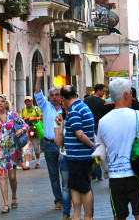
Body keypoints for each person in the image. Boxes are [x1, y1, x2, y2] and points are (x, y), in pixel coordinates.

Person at [98, 77, 139, 220]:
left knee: (119, 216)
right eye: (129, 92)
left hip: (115, 176)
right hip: (137, 175)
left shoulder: (103, 122)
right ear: (126, 95)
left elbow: (101, 148)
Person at [58, 85, 95, 220]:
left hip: (79, 156)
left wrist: (92, 146)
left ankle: (87, 217)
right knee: (74, 186)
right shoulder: (83, 107)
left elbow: (79, 133)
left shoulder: (74, 110)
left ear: (63, 98)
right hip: (75, 156)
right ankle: (76, 215)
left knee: (84, 187)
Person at [0, 93, 28, 214]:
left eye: (2, 101)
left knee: (12, 177)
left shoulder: (13, 115)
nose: (0, 103)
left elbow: (25, 124)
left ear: (6, 103)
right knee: (2, 176)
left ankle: (14, 195)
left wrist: (21, 130)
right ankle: (5, 203)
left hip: (12, 150)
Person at [34, 80, 66, 212]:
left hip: (64, 145)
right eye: (52, 95)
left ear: (61, 96)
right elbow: (37, 94)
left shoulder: (66, 108)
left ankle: (67, 199)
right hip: (49, 144)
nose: (54, 97)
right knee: (53, 174)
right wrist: (39, 77)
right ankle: (58, 200)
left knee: (65, 174)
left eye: (57, 95)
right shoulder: (46, 106)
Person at [83, 84, 111, 182]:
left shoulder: (86, 101)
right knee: (99, 151)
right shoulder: (102, 103)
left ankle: (91, 173)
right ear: (98, 91)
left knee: (89, 150)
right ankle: (99, 175)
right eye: (103, 91)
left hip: (88, 128)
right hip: (98, 129)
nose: (104, 93)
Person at [20, 96, 43, 170]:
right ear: (24, 102)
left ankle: (38, 162)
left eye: (29, 101)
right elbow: (20, 121)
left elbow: (42, 117)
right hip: (27, 131)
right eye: (26, 101)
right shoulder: (23, 110)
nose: (28, 103)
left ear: (32, 101)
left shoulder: (36, 109)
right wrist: (25, 119)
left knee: (36, 148)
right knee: (26, 148)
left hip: (36, 130)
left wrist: (34, 118)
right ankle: (27, 164)